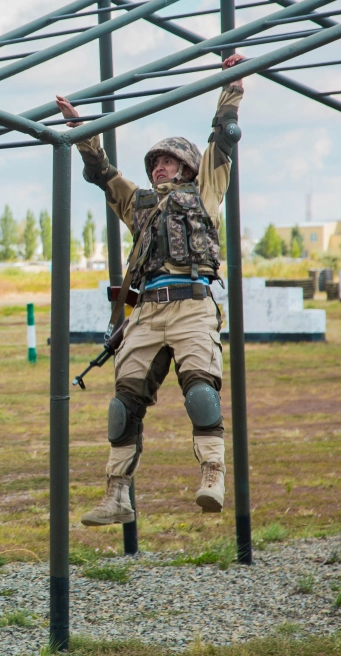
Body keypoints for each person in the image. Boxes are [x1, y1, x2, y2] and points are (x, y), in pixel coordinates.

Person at [54, 53, 246, 525]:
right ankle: (117, 495)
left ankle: (212, 475)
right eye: (155, 161)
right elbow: (102, 173)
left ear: (185, 167)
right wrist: (81, 129)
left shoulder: (206, 189)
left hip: (191, 304)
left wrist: (233, 85)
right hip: (147, 312)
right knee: (122, 406)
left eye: (167, 160)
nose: (159, 166)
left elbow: (223, 137)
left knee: (201, 393)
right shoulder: (138, 204)